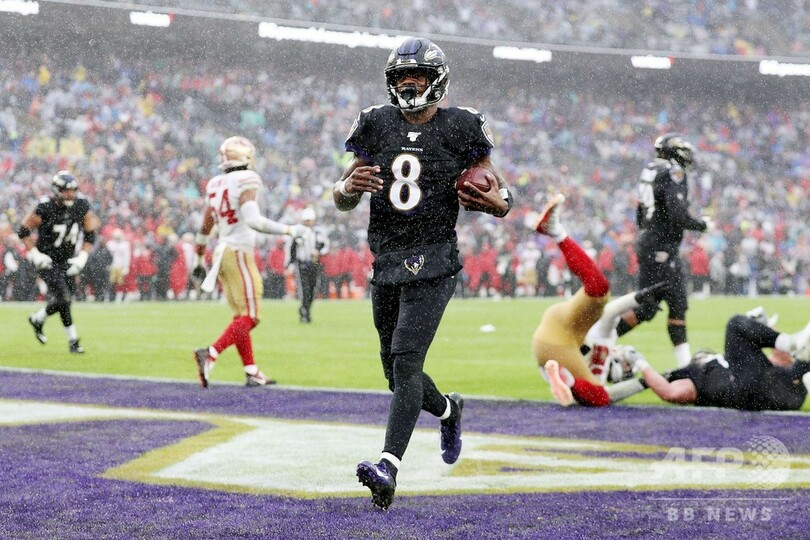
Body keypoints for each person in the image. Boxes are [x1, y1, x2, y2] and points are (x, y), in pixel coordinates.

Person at [333, 37, 513, 510]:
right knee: (395, 375)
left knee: (407, 363)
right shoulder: (375, 122)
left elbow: (500, 192)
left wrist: (497, 203)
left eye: (418, 77)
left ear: (438, 80)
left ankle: (388, 466)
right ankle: (449, 409)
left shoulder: (461, 125)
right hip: (387, 259)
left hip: (434, 259)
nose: (409, 85)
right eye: (401, 77)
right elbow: (342, 195)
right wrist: (347, 188)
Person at [192, 136, 310, 388]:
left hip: (222, 253)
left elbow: (205, 226)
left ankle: (251, 370)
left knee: (241, 317)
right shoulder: (246, 179)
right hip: (238, 252)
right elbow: (254, 221)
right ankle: (210, 353)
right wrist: (290, 230)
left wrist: (199, 257)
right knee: (252, 316)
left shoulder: (215, 183)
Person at [529, 194, 663, 408]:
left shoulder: (603, 349)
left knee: (599, 289)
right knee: (597, 397)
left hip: (560, 335)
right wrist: (647, 380)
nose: (625, 365)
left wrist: (637, 298)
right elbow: (614, 318)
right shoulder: (602, 357)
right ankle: (567, 381)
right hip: (560, 342)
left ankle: (563, 379)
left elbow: (611, 314)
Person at [613, 133, 710, 368]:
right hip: (661, 247)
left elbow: (640, 213)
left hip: (652, 242)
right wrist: (702, 224)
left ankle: (685, 366)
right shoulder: (672, 171)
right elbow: (677, 214)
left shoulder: (651, 169)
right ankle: (597, 342)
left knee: (665, 304)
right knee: (658, 305)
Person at [630, 308, 810, 411]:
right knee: (735, 324)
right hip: (749, 392)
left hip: (784, 393)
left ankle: (793, 346)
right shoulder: (693, 376)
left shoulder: (723, 365)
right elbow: (670, 392)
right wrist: (639, 362)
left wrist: (762, 329)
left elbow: (780, 361)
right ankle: (791, 342)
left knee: (802, 358)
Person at [18, 170, 100, 353]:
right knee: (64, 297)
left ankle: (41, 321)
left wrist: (83, 256)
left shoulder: (81, 205)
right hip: (47, 259)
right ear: (56, 190)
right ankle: (71, 340)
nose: (69, 194)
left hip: (67, 259)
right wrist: (35, 254)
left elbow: (90, 233)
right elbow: (23, 231)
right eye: (65, 190)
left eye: (72, 190)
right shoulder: (45, 207)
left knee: (64, 301)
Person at [285, 207, 329, 323]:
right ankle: (306, 312)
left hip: (314, 264)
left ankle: (305, 308)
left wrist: (318, 251)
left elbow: (325, 246)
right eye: (306, 220)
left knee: (313, 289)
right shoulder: (297, 232)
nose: (308, 222)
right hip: (302, 264)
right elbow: (291, 248)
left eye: (310, 220)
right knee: (304, 289)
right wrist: (290, 263)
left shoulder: (319, 232)